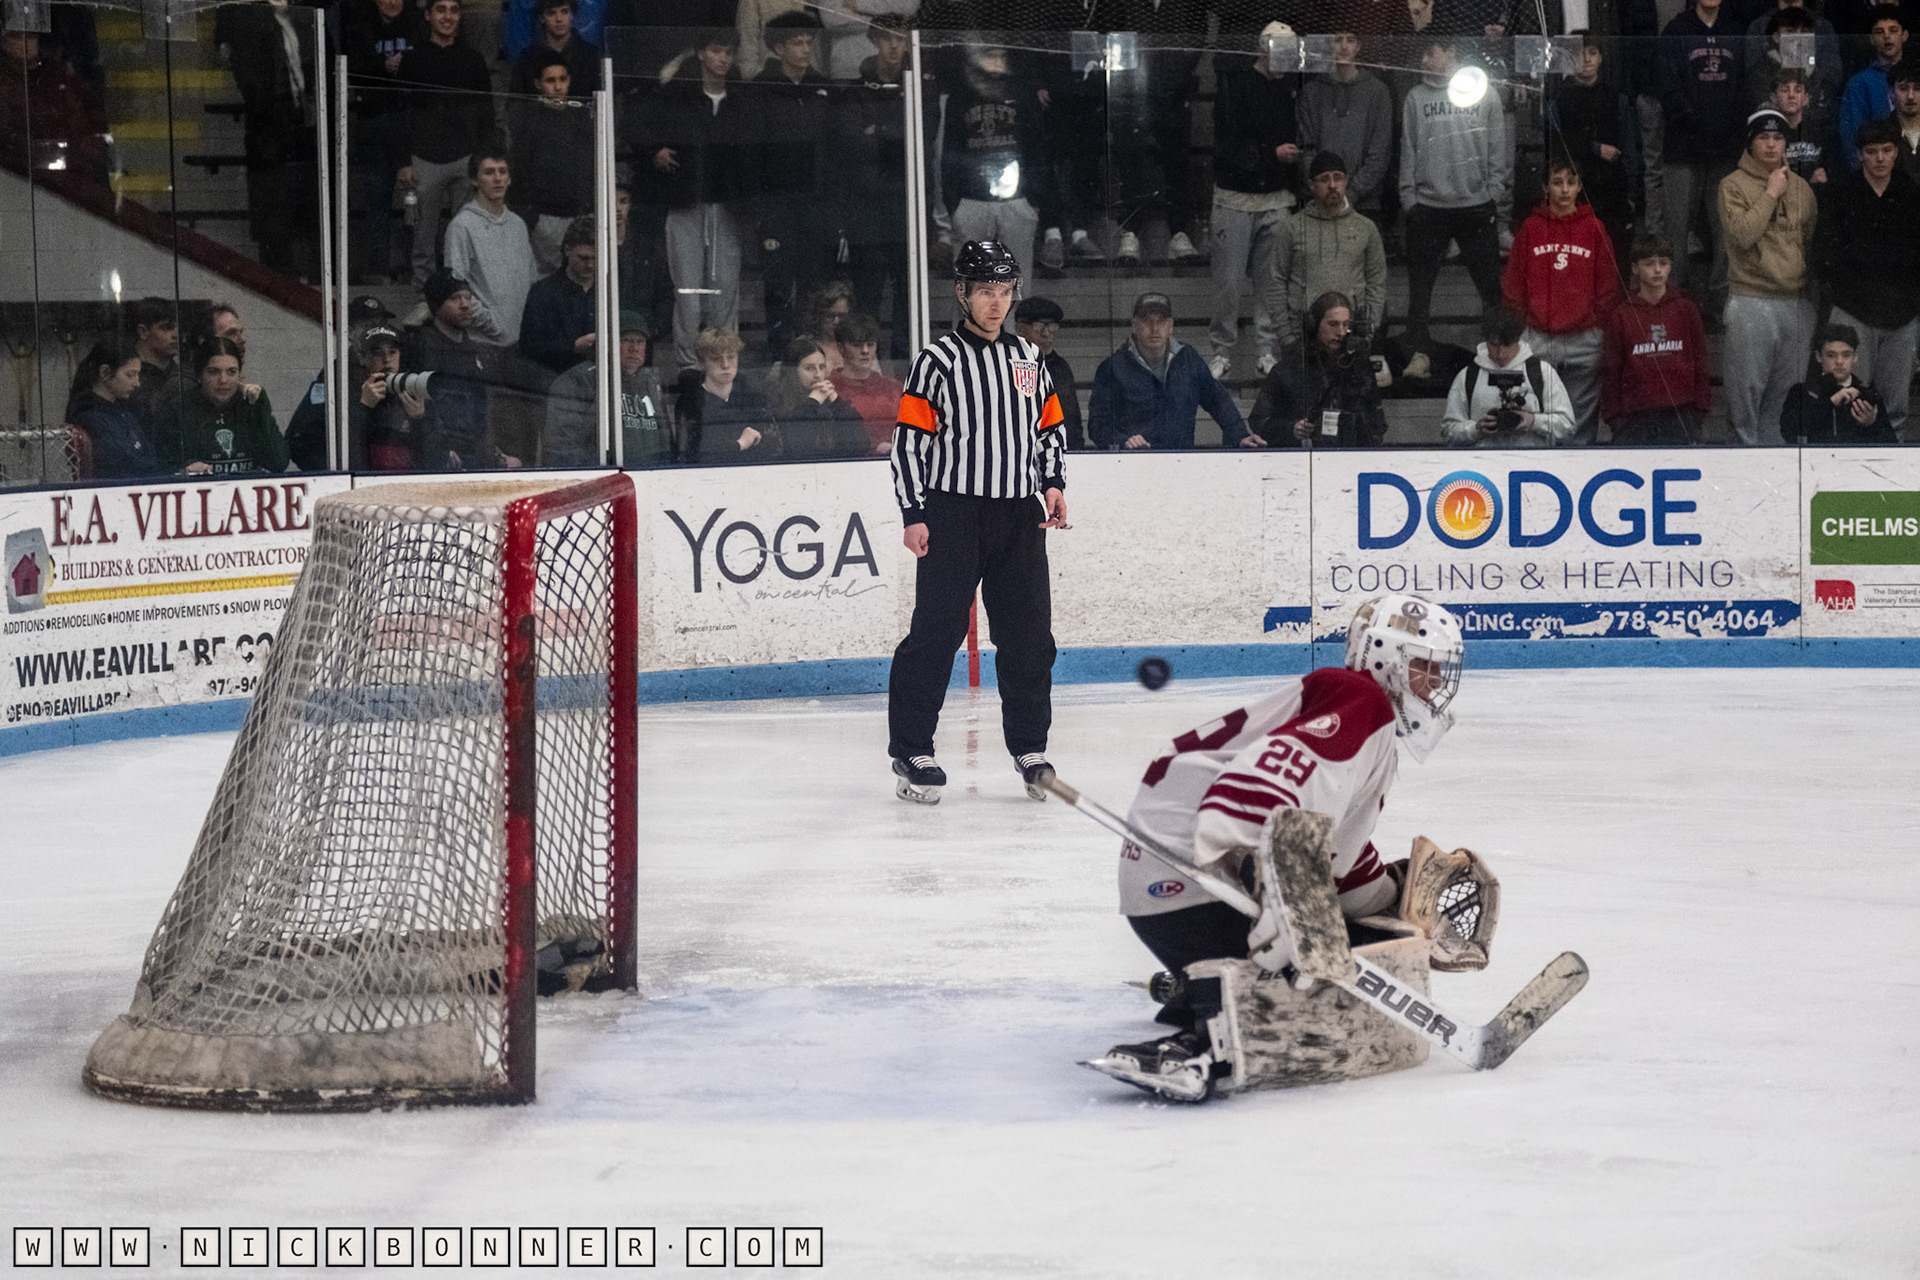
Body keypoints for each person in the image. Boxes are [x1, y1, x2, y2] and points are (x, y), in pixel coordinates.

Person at [1092, 593, 1467, 1103]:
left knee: (1345, 942)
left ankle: (1197, 988)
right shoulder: (1362, 699)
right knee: (1318, 976)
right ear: (1386, 659)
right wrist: (1281, 884)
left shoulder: (1359, 719)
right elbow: (1260, 789)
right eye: (1426, 667)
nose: (1437, 683)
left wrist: (1395, 895)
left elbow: (1339, 861)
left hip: (1170, 893)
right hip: (1197, 879)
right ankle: (1206, 1040)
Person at [888, 240, 1069, 805]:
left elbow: (1049, 428)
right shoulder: (936, 360)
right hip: (953, 514)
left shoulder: (1029, 358)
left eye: (1005, 291)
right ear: (963, 293)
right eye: (986, 291)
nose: (996, 302)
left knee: (1029, 637)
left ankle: (1030, 749)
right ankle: (912, 749)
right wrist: (914, 513)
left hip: (1019, 515)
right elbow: (909, 443)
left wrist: (1054, 483)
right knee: (935, 634)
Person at [645, 28, 757, 370]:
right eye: (716, 50)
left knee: (725, 288)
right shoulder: (678, 97)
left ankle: (725, 360)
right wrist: (655, 151)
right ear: (701, 53)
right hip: (685, 200)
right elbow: (646, 129)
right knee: (687, 290)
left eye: (728, 52)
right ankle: (688, 364)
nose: (723, 58)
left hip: (728, 204)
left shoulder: (741, 101)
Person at [1399, 36, 1509, 376]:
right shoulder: (1416, 98)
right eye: (1422, 52)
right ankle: (1418, 356)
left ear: (1451, 53)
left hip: (1476, 204)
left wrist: (1493, 192)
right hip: (1428, 206)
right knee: (1420, 290)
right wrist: (1409, 199)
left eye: (1431, 51)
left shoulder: (1484, 93)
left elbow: (1498, 146)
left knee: (1490, 290)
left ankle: (1497, 355)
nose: (1425, 58)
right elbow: (1408, 148)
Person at [1207, 22, 1304, 383]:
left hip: (1275, 197)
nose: (1287, 61)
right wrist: (1270, 156)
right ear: (1265, 50)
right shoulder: (1235, 87)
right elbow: (1228, 144)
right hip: (1235, 197)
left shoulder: (1290, 90)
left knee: (1270, 281)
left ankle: (1266, 349)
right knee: (1229, 282)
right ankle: (1221, 351)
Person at [1502, 158, 1623, 444]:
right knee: (1536, 419)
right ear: (1545, 188)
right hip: (1538, 338)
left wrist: (1594, 324)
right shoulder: (1531, 228)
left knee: (1580, 427)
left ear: (1580, 187)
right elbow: (1514, 284)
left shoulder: (1594, 228)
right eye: (1557, 183)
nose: (1565, 189)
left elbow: (1608, 284)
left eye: (1571, 182)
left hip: (1584, 339)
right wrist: (1525, 326)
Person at [1815, 118, 1920, 437]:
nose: (1880, 158)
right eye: (1872, 151)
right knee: (1846, 398)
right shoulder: (1840, 193)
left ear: (1896, 152)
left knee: (1895, 406)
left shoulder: (1911, 193)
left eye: (1887, 150)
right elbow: (1824, 254)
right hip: (1854, 312)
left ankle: (1891, 460)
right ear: (1860, 154)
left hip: (1901, 315)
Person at [1720, 107, 1817, 445]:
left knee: (1785, 401)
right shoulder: (1731, 185)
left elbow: (1808, 241)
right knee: (1745, 397)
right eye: (1764, 137)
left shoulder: (1802, 188)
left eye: (1778, 138)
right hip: (1751, 298)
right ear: (1751, 143)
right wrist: (1772, 192)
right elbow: (1743, 235)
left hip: (1795, 300)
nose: (1772, 144)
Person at [939, 41, 1046, 310]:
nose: (998, 62)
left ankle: (1014, 338)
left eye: (1002, 56)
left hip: (1016, 200)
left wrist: (1033, 199)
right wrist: (955, 203)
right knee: (970, 292)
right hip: (972, 200)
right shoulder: (961, 97)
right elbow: (950, 151)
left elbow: (1036, 148)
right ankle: (969, 339)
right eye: (991, 56)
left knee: (1017, 289)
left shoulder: (1022, 93)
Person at [1659, 0, 1747, 323]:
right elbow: (1668, 88)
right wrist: (1696, 122)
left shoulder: (1735, 30)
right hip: (1684, 147)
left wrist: (1728, 128)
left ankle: (1721, 302)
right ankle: (1672, 302)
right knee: (1677, 230)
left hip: (1725, 149)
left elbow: (1743, 88)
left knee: (1725, 231)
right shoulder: (1676, 31)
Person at [396, 0, 494, 286]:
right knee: (422, 233)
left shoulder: (473, 59)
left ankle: (459, 287)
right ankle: (423, 290)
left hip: (465, 156)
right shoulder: (412, 60)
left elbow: (486, 110)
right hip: (424, 157)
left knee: (465, 230)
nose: (448, 16)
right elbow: (400, 112)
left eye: (454, 10)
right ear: (428, 15)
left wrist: (483, 156)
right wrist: (403, 161)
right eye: (441, 10)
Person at [753, 10, 833, 356]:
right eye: (797, 42)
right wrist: (758, 206)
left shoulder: (823, 87)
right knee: (778, 282)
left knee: (814, 282)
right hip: (776, 204)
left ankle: (811, 354)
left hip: (816, 203)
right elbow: (751, 152)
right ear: (779, 47)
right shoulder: (759, 89)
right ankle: (779, 354)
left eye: (808, 41)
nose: (805, 49)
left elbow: (835, 148)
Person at [1089, 292, 1263, 450]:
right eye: (1147, 321)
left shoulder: (1189, 359)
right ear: (1134, 325)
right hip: (1133, 465)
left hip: (1182, 464)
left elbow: (1217, 400)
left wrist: (1240, 435)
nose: (1154, 328)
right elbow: (1097, 425)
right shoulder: (1112, 368)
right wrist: (1124, 442)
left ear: (1170, 326)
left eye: (1161, 321)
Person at [1268, 151, 1387, 363]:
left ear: (1345, 182)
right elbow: (1276, 281)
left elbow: (1377, 282)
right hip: (1302, 337)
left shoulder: (1366, 228)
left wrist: (1367, 332)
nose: (1332, 185)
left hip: (1351, 336)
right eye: (1324, 179)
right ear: (1311, 185)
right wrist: (1287, 338)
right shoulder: (1291, 228)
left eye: (1337, 178)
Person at [403, 268, 525, 470]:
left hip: (474, 456)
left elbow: (481, 413)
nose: (465, 304)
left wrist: (495, 455)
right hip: (442, 461)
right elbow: (421, 410)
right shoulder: (422, 348)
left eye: (468, 297)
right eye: (454, 298)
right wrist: (440, 450)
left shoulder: (474, 349)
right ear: (436, 304)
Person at [1600, 234, 1713, 445]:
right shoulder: (1622, 315)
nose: (1658, 270)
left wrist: (1699, 409)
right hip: (1635, 418)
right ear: (1635, 268)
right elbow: (1612, 369)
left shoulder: (1686, 309)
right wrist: (1615, 418)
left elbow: (1700, 360)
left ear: (1671, 266)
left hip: (1680, 414)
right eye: (1649, 264)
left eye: (1663, 263)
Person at [343, 0, 422, 283]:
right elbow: (352, 69)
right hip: (374, 124)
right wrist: (382, 66)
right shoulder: (359, 27)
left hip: (412, 123)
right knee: (377, 199)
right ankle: (379, 267)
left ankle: (416, 268)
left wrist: (406, 66)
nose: (392, 2)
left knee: (416, 201)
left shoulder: (417, 25)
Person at [1547, 33, 1641, 271]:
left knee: (1616, 258)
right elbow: (1557, 143)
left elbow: (1628, 144)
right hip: (1577, 188)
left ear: (1601, 58)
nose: (1586, 59)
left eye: (1592, 53)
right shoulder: (1560, 99)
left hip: (1613, 187)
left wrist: (1631, 187)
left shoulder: (1616, 97)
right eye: (1580, 53)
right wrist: (1594, 149)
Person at [1248, 291, 1387, 448]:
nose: (1341, 332)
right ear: (1314, 326)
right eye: (1333, 324)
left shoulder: (1358, 367)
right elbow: (1259, 420)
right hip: (1300, 455)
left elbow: (1377, 424)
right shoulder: (1289, 368)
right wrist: (1291, 429)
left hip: (1350, 455)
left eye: (1345, 325)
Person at [507, 53, 596, 274]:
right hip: (546, 218)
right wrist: (532, 217)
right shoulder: (527, 119)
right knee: (547, 276)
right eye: (550, 80)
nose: (557, 87)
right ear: (538, 84)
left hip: (581, 214)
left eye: (562, 79)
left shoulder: (582, 116)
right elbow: (521, 169)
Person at [546, 312, 670, 466]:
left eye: (640, 341)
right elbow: (563, 447)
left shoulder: (651, 383)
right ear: (607, 343)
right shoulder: (579, 380)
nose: (634, 348)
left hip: (657, 476)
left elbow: (666, 443)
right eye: (625, 340)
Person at [1296, 28, 1393, 223]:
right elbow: (1305, 148)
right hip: (1319, 202)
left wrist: (1352, 193)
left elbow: (1380, 151)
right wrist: (1323, 190)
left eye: (1350, 40)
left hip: (1365, 204)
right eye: (1338, 40)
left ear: (1358, 46)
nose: (1344, 46)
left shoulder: (1377, 92)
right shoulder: (1311, 92)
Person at [1442, 307, 1577, 447]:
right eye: (1494, 345)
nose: (1500, 353)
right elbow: (1448, 433)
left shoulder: (1541, 372)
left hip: (1531, 459)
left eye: (1507, 345)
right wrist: (1476, 429)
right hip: (1483, 459)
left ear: (1518, 339)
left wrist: (1533, 421)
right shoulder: (1468, 376)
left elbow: (1567, 427)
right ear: (1486, 341)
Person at [444, 148, 536, 350]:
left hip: (523, 342)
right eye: (489, 172)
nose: (497, 178)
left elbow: (531, 278)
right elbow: (457, 285)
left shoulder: (518, 225)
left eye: (502, 171)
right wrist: (493, 326)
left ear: (509, 179)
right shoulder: (461, 226)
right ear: (475, 180)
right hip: (484, 343)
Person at [157, 339, 288, 476]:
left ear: (239, 374)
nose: (223, 380)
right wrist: (186, 468)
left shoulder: (250, 404)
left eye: (231, 372)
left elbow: (279, 463)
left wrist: (259, 407)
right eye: (214, 372)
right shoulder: (179, 409)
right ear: (199, 375)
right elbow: (164, 466)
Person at [673, 327, 776, 462]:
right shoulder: (690, 402)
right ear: (702, 363)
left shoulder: (752, 397)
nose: (725, 365)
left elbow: (774, 446)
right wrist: (739, 445)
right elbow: (690, 453)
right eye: (716, 359)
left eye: (731, 357)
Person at [1780, 323, 1897, 442]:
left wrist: (1872, 424)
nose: (1839, 361)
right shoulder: (1802, 392)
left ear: (1855, 357)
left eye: (1846, 355)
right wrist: (1831, 402)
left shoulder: (1868, 397)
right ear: (1819, 356)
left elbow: (1892, 444)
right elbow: (1789, 432)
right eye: (1831, 355)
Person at [66, 337, 161, 479]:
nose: (137, 383)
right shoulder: (89, 417)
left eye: (137, 375)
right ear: (105, 372)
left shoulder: (125, 412)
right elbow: (125, 465)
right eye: (130, 375)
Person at [520, 216, 599, 374]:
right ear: (568, 250)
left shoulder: (609, 292)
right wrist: (573, 346)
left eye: (595, 258)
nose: (590, 265)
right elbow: (529, 348)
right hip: (555, 377)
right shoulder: (543, 293)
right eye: (583, 258)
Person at [768, 337, 870, 459]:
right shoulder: (776, 401)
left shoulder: (829, 403)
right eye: (809, 368)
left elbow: (861, 446)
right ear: (793, 371)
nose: (818, 375)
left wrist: (837, 402)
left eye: (821, 367)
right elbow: (796, 446)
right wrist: (812, 402)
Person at [829, 311, 907, 455]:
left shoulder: (895, 389)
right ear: (841, 348)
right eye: (857, 345)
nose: (865, 351)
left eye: (870, 344)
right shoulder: (828, 389)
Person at [1012, 297, 1084, 451]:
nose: (1046, 333)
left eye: (1051, 326)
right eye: (1038, 326)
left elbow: (1072, 421)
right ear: (1020, 329)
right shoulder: (1007, 365)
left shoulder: (1061, 368)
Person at [352, 323, 428, 469]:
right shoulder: (349, 389)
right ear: (363, 358)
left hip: (410, 479)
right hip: (368, 478)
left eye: (392, 352)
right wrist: (363, 406)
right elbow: (347, 452)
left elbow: (436, 458)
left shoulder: (412, 388)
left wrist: (420, 418)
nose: (386, 359)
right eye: (377, 353)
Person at [1839, 6, 1906, 169]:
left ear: (1905, 35)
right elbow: (1852, 135)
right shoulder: (1859, 83)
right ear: (1871, 39)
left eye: (1893, 30)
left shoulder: (1916, 77)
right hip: (1876, 171)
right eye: (1879, 32)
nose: (1887, 36)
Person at [507, 0, 602, 98]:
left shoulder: (590, 55)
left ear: (572, 15)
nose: (559, 19)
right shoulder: (527, 58)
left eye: (564, 12)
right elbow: (516, 102)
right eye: (551, 13)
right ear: (542, 18)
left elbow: (599, 99)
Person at [1767, 67, 1837, 186]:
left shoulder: (1820, 131)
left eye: (1798, 90)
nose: (1791, 95)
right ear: (1774, 98)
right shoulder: (1767, 135)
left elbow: (1828, 172)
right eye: (1785, 90)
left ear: (1806, 98)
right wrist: (1808, 181)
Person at [123, 297, 180, 428]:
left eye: (178, 328)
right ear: (143, 331)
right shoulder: (123, 373)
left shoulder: (180, 373)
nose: (176, 335)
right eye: (167, 328)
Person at [1893, 59, 1920, 180]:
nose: (1910, 96)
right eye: (1903, 88)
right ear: (1891, 92)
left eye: (1917, 88)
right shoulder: (1883, 132)